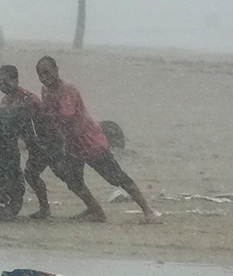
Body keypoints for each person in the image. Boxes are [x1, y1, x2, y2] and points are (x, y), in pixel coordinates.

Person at [35, 56, 159, 223]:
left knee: (117, 177)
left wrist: (51, 129)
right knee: (73, 181)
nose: (44, 78)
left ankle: (148, 210)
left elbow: (65, 117)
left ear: (56, 70)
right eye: (40, 75)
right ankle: (96, 211)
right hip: (71, 143)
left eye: (47, 73)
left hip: (88, 140)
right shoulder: (45, 90)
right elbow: (50, 117)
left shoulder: (68, 89)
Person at [0, 64, 53, 219]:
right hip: (27, 143)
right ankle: (44, 208)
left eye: (5, 82)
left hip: (42, 142)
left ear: (16, 80)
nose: (2, 86)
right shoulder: (5, 101)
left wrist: (38, 142)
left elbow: (40, 123)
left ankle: (45, 208)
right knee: (29, 173)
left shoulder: (28, 99)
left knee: (31, 174)